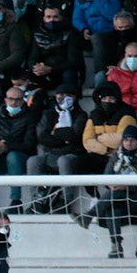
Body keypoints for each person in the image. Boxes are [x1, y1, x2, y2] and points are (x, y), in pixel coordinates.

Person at [93, 126, 137, 259]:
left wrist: (125, 186)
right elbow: (106, 177)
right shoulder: (116, 156)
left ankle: (90, 214)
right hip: (119, 200)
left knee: (115, 198)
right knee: (111, 209)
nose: (128, 143)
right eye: (126, 140)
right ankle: (116, 245)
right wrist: (113, 185)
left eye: (132, 140)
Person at [0, 86, 37, 213]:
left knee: (13, 155)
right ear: (5, 100)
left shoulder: (31, 116)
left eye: (18, 99)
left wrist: (7, 147)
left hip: (21, 160)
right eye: (11, 99)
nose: (14, 102)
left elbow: (30, 144)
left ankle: (16, 201)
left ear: (23, 101)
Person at [27, 84, 86, 214]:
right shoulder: (49, 113)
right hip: (52, 153)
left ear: (75, 98)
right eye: (60, 95)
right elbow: (42, 136)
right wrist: (63, 138)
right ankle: (37, 200)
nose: (64, 98)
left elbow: (75, 136)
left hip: (72, 154)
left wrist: (54, 134)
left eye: (68, 95)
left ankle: (65, 202)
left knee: (63, 161)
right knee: (33, 161)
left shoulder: (81, 115)